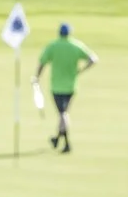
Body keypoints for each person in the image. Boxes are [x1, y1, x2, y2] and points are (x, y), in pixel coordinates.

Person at [33, 22, 98, 153]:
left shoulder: (53, 46)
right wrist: (81, 70)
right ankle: (57, 139)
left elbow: (42, 62)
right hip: (71, 86)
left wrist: (37, 77)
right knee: (63, 113)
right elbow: (93, 59)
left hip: (57, 86)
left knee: (63, 114)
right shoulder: (75, 45)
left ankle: (67, 143)